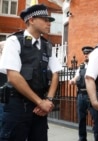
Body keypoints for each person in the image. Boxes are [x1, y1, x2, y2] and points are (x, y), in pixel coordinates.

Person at [0, 4, 62, 141]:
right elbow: (13, 76)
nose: (49, 23)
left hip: (40, 107)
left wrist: (48, 100)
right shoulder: (14, 41)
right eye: (45, 19)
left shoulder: (47, 45)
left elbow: (56, 72)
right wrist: (41, 102)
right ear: (31, 20)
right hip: (17, 105)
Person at [69, 46, 93, 141]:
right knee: (81, 119)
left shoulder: (95, 65)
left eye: (88, 53)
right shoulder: (81, 67)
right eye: (85, 54)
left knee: (96, 118)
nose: (86, 55)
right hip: (81, 95)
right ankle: (82, 138)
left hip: (92, 95)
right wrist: (73, 80)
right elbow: (77, 77)